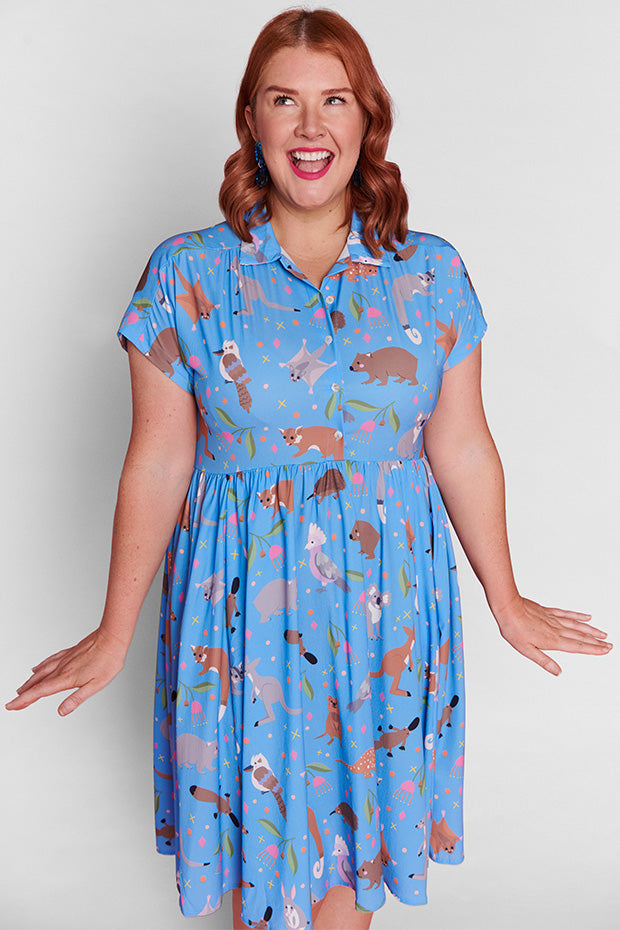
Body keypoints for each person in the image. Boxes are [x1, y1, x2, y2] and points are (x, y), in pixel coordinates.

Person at [5, 8, 613, 930]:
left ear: (369, 119)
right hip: (239, 614)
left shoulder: (432, 274)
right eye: (284, 100)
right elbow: (160, 456)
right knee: (261, 878)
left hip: (385, 610)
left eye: (335, 100)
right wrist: (113, 630)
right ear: (250, 118)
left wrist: (508, 597)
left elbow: (461, 445)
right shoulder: (186, 273)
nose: (309, 125)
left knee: (347, 878)